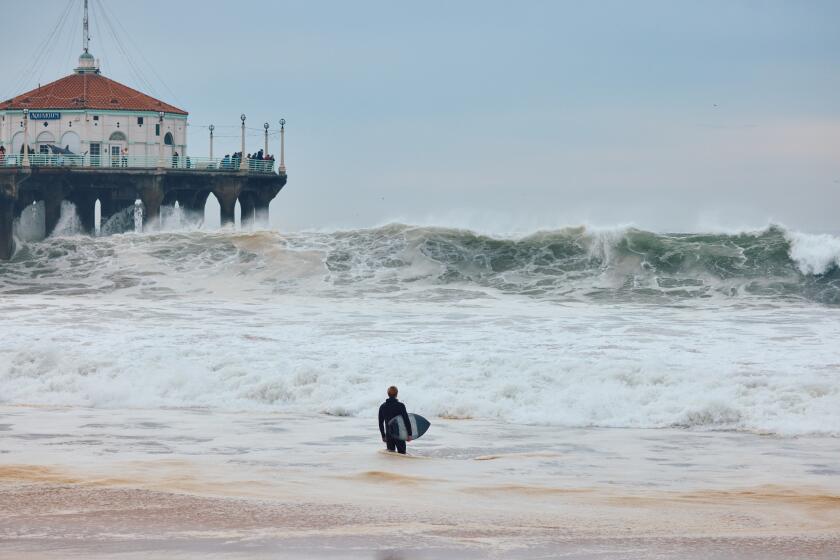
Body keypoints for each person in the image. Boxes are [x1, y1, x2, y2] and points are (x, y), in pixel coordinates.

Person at [378, 386, 412, 454]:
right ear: (397, 394)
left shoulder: (383, 406)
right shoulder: (400, 406)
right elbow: (406, 420)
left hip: (389, 435)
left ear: (388, 394)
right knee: (402, 455)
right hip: (399, 434)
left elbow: (380, 422)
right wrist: (409, 434)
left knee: (391, 456)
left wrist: (383, 435)